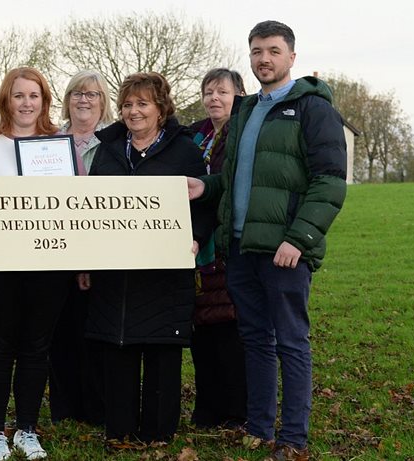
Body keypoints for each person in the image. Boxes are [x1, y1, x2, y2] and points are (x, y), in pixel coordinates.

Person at [187, 21, 347, 461]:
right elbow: (234, 178)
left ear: (291, 57)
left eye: (274, 51)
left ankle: (293, 437)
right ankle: (258, 428)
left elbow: (330, 181)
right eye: (257, 51)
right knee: (255, 340)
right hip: (241, 248)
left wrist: (299, 239)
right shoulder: (246, 110)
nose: (264, 59)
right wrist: (206, 187)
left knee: (291, 342)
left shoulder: (313, 109)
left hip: (285, 252)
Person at [84, 71, 214, 445]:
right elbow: (89, 207)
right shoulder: (108, 150)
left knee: (162, 349)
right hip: (116, 272)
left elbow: (204, 204)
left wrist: (195, 237)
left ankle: (159, 431)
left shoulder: (185, 150)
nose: (133, 111)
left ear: (161, 108)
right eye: (127, 104)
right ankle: (120, 429)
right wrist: (86, 260)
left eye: (142, 103)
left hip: (165, 271)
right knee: (118, 346)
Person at [0, 66, 70, 461]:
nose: (26, 103)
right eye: (19, 95)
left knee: (36, 348)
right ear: (6, 99)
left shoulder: (61, 145)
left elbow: (77, 204)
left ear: (44, 101)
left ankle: (27, 428)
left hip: (48, 263)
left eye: (34, 96)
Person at [48, 69, 113, 426]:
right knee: (58, 330)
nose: (83, 100)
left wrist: (88, 259)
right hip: (53, 250)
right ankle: (63, 406)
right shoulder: (48, 142)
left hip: (96, 250)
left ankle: (94, 406)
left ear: (103, 102)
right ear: (67, 99)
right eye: (77, 93)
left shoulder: (113, 143)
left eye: (92, 94)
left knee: (92, 330)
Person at [188, 68, 248, 430]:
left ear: (239, 95)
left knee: (230, 328)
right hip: (198, 242)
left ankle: (238, 410)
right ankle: (207, 409)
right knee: (202, 327)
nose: (214, 98)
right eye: (208, 92)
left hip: (228, 242)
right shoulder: (196, 134)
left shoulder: (244, 132)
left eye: (222, 92)